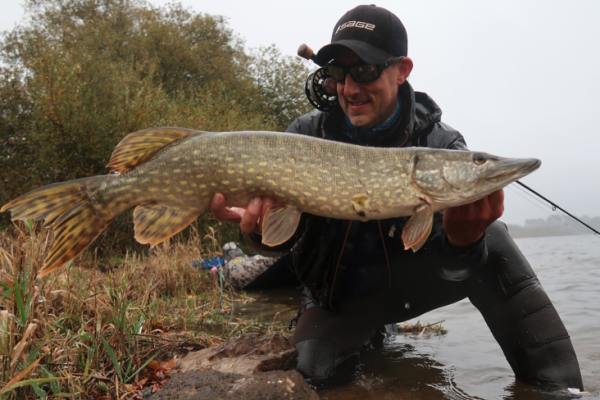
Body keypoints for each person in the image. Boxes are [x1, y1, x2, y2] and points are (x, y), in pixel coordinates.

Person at [211, 5, 584, 391]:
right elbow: (285, 237)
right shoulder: (307, 136)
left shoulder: (441, 143)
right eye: (339, 73)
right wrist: (255, 230)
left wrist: (463, 243)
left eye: (366, 70)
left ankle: (561, 389)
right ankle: (361, 328)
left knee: (493, 238)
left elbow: (455, 269)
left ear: (402, 70)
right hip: (339, 296)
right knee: (317, 376)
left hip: (408, 288)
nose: (350, 88)